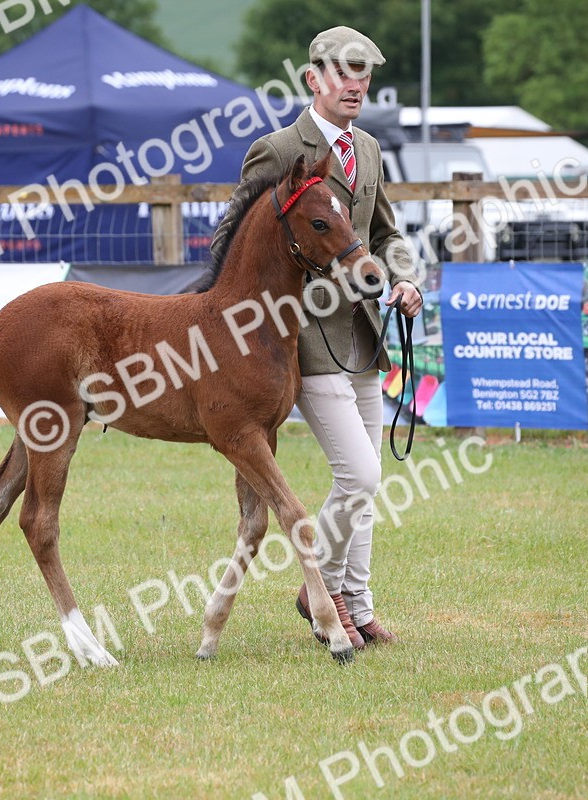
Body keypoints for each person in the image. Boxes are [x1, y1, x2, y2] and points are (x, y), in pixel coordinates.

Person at [210, 26, 422, 650]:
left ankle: (357, 604)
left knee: (367, 483)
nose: (355, 83)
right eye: (343, 72)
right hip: (300, 342)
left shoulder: (371, 151)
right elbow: (232, 242)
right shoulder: (277, 149)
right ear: (313, 80)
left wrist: (405, 279)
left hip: (363, 335)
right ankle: (320, 590)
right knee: (359, 476)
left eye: (364, 74)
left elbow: (386, 234)